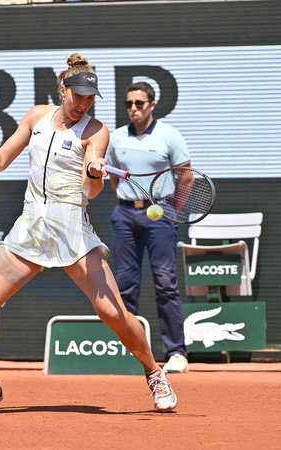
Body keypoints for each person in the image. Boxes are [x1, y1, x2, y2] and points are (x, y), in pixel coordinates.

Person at [0, 54, 177, 414]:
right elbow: (1, 161)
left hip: (71, 231)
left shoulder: (96, 131)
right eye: (78, 96)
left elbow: (91, 191)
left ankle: (154, 373)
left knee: (113, 313)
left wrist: (94, 171)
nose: (83, 104)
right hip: (30, 230)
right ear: (63, 89)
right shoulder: (36, 117)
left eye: (90, 98)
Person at [106, 81, 191, 374]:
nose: (133, 108)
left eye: (139, 103)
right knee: (124, 285)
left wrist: (172, 210)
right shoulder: (116, 137)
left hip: (161, 214)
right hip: (125, 215)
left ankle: (176, 353)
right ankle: (129, 351)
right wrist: (130, 201)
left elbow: (186, 177)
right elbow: (114, 176)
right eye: (129, 103)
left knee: (165, 284)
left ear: (152, 105)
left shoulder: (170, 135)